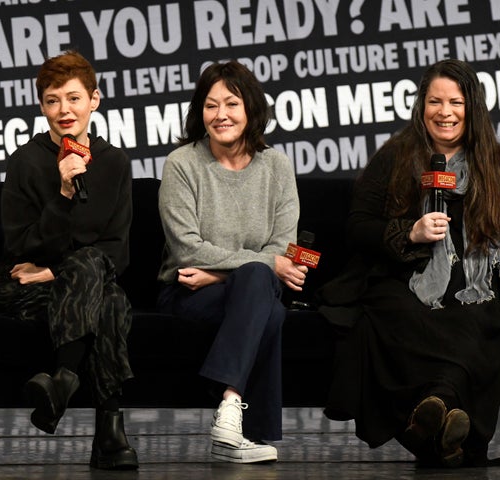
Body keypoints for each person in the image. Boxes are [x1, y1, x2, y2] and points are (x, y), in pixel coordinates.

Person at [317, 59, 500, 468]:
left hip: (476, 288)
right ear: (421, 106)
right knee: (397, 315)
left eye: (455, 102)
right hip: (406, 282)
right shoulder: (396, 156)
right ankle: (445, 425)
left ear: (472, 108)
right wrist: (409, 232)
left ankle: (434, 416)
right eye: (434, 102)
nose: (444, 112)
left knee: (473, 318)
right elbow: (358, 226)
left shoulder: (498, 163)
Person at [0, 50, 138, 470]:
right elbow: (23, 245)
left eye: (73, 98)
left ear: (95, 99)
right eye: (53, 100)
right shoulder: (26, 162)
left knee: (97, 276)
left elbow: (117, 250)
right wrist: (64, 194)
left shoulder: (115, 163)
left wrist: (59, 269)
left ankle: (62, 382)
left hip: (66, 276)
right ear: (42, 107)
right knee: (110, 301)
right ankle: (110, 432)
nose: (64, 110)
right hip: (24, 283)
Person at [156, 60, 307, 464]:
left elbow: (284, 246)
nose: (220, 115)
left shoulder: (276, 166)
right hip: (189, 293)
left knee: (259, 284)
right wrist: (252, 268)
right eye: (210, 105)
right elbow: (187, 249)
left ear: (251, 109)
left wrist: (219, 273)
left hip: (228, 286)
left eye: (231, 103)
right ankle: (243, 428)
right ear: (199, 113)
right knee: (267, 306)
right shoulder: (182, 164)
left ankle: (229, 408)